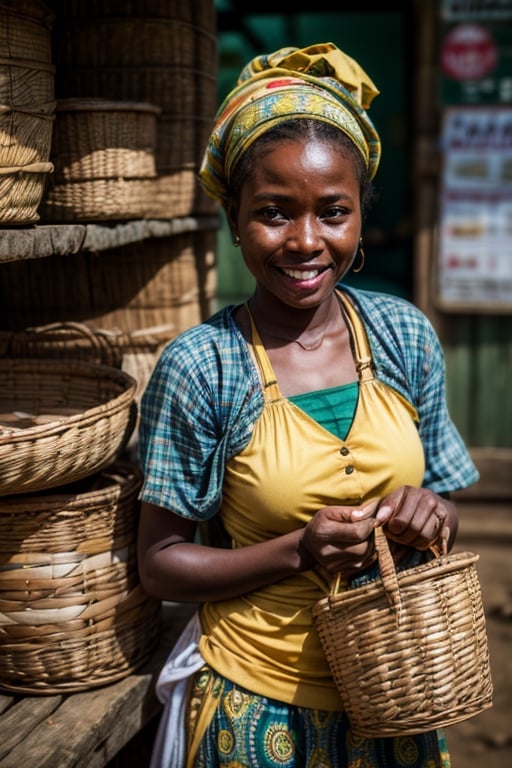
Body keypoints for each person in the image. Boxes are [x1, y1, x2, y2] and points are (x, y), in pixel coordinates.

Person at [137, 42, 479, 768]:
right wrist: (299, 549)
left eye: (332, 213)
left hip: (401, 693)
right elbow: (160, 563)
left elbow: (445, 500)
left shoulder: (401, 335)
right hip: (259, 709)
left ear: (360, 217)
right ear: (233, 217)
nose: (305, 242)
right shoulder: (203, 366)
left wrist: (431, 512)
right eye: (273, 213)